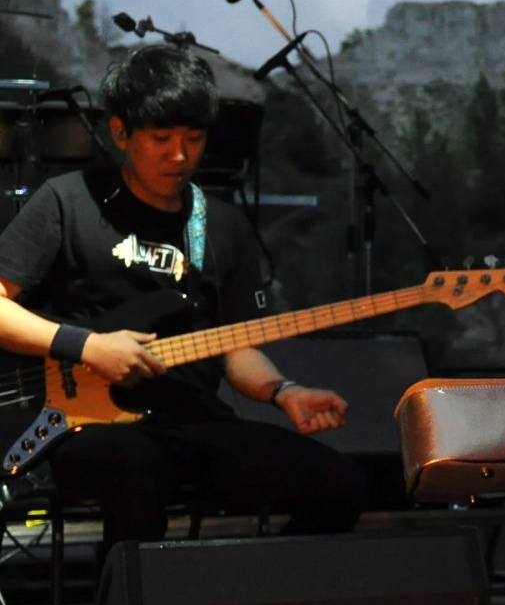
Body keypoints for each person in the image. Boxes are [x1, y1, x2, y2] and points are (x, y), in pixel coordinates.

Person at [0, 44, 366, 555]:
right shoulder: (67, 200)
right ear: (121, 132)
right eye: (162, 138)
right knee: (134, 472)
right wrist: (87, 346)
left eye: (193, 139)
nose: (179, 155)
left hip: (192, 419)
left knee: (340, 482)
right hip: (85, 425)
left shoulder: (223, 225)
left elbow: (236, 345)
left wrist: (284, 392)